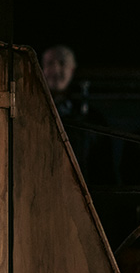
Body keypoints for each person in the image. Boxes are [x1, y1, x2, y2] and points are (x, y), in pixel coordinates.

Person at [40, 45, 115, 185]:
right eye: (50, 63)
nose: (55, 70)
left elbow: (104, 170)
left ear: (72, 69)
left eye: (62, 63)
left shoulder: (92, 118)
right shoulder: (29, 111)